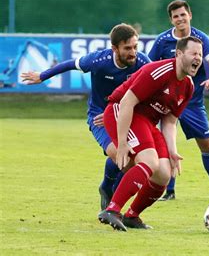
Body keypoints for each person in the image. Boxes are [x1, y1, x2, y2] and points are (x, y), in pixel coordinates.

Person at [21, 23, 150, 211]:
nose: (133, 52)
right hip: (98, 116)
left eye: (135, 47)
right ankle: (107, 188)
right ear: (114, 48)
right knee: (125, 159)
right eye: (127, 48)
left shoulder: (143, 63)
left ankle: (110, 191)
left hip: (126, 116)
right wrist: (43, 75)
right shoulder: (99, 61)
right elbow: (70, 64)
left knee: (130, 161)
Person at [97, 36, 201, 231]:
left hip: (145, 122)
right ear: (179, 54)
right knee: (149, 161)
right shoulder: (159, 71)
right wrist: (121, 143)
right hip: (122, 111)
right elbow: (127, 102)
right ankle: (112, 210)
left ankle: (132, 216)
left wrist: (172, 150)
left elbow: (169, 121)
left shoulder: (188, 86)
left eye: (200, 54)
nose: (198, 58)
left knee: (164, 174)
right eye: (194, 53)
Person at [147, 0, 209, 200]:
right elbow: (148, 67)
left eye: (183, 14)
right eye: (176, 16)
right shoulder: (162, 41)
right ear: (171, 20)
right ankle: (169, 191)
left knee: (206, 144)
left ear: (190, 15)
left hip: (192, 101)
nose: (180, 19)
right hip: (165, 101)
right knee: (166, 143)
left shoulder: (201, 39)